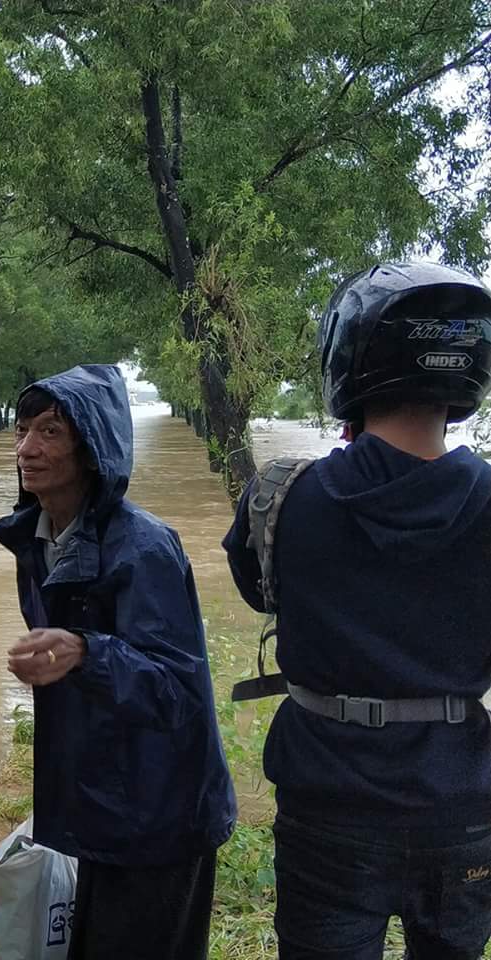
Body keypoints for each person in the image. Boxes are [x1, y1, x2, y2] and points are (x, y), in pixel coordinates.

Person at [222, 262, 491, 959]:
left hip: (327, 801)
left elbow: (260, 591)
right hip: (461, 802)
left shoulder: (279, 496)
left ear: (349, 357)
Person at [0, 364, 236, 960]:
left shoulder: (144, 548)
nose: (27, 449)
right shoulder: (41, 540)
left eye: (50, 432)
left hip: (162, 812)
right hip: (102, 802)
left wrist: (84, 651)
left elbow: (176, 689)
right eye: (23, 430)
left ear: (93, 445)